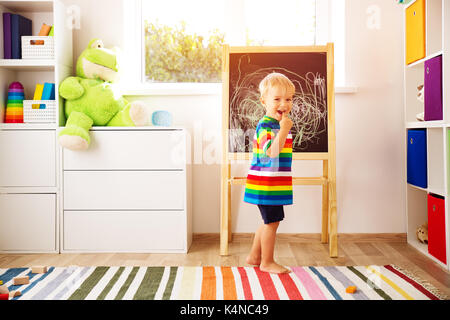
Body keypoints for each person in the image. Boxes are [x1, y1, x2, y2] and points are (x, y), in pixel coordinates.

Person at [243, 72, 294, 274]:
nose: (284, 103)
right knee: (271, 223)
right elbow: (272, 152)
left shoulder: (277, 125)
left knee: (269, 222)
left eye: (288, 99)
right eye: (277, 99)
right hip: (266, 185)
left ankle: (255, 257)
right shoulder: (266, 125)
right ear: (264, 101)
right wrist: (283, 129)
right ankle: (267, 262)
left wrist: (282, 128)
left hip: (273, 185)